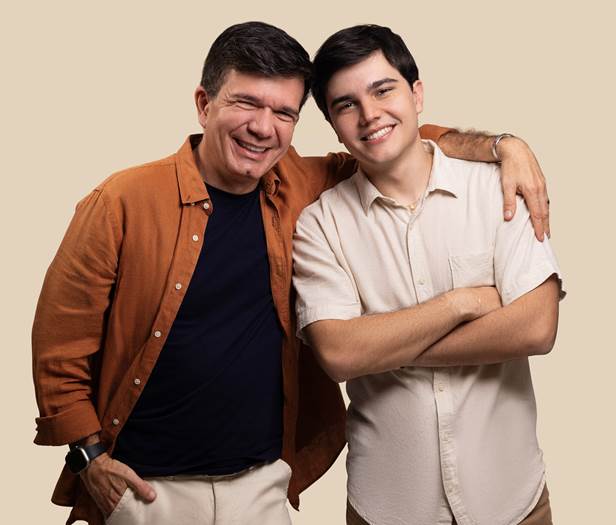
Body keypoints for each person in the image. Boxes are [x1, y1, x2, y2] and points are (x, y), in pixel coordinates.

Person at [32, 21, 550, 525]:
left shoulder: (302, 183)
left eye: (283, 112)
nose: (264, 127)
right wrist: (88, 456)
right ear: (204, 104)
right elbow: (60, 344)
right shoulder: (122, 200)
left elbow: (392, 142)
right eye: (246, 103)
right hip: (145, 490)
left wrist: (504, 145)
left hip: (262, 485)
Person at [293, 24, 563, 525]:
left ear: (417, 95)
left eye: (383, 90)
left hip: (513, 502)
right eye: (346, 104)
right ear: (333, 125)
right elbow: (339, 354)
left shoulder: (498, 188)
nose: (369, 114)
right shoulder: (319, 225)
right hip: (387, 508)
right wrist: (461, 303)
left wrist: (386, 350)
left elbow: (537, 327)